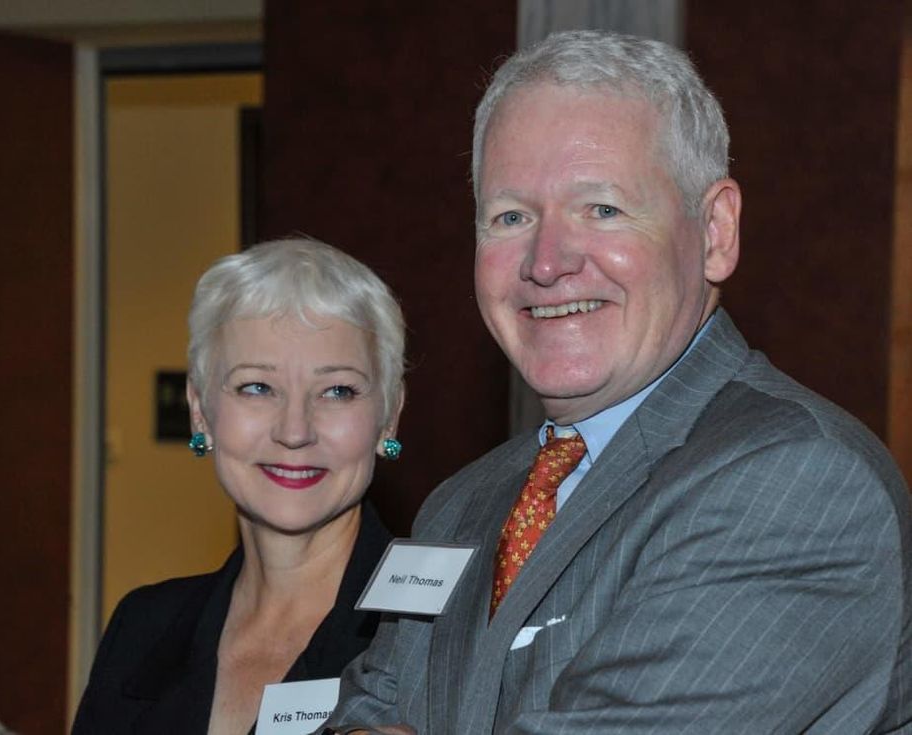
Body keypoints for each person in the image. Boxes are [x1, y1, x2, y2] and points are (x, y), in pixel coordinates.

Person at [322, 30, 912, 734]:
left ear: (716, 231)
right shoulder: (462, 503)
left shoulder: (796, 484)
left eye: (601, 208)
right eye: (511, 216)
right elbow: (355, 711)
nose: (546, 262)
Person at [72, 238, 406, 734]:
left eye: (337, 390)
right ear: (200, 410)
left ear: (389, 418)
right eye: (257, 387)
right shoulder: (143, 627)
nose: (295, 431)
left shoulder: (439, 635)